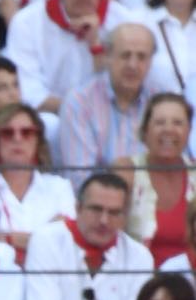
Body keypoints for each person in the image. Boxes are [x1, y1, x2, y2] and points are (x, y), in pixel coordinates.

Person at [26, 172, 152, 300]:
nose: (104, 220)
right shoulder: (46, 240)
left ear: (124, 216)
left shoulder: (139, 256)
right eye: (96, 209)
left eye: (114, 212)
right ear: (77, 208)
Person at [5, 0, 129, 115]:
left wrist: (96, 47)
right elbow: (30, 91)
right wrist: (78, 111)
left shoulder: (124, 21)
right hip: (50, 115)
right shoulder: (26, 22)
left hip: (109, 113)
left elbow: (125, 87)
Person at [0, 102, 76, 264]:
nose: (17, 138)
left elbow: (66, 241)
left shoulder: (59, 187)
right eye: (8, 133)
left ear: (38, 141)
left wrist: (4, 237)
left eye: (27, 132)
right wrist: (43, 237)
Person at [57, 24, 156, 192]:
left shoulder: (159, 100)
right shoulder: (79, 102)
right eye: (125, 55)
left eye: (141, 57)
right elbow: (81, 179)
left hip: (152, 201)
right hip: (101, 207)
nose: (133, 65)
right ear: (107, 55)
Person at [121, 94, 196, 269]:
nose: (168, 129)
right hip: (139, 282)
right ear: (145, 131)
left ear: (188, 131)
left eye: (177, 123)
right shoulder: (126, 170)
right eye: (160, 122)